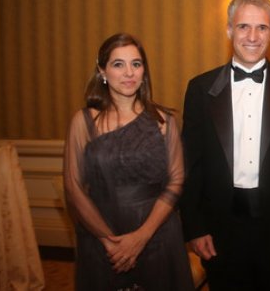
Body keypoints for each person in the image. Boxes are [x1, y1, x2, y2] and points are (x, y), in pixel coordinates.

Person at [178, 0, 270, 290]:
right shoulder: (201, 89)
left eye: (262, 28)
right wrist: (195, 227)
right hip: (221, 230)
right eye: (243, 26)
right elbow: (190, 164)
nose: (253, 36)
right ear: (229, 30)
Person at [63, 33, 194, 290]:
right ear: (102, 71)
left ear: (144, 71)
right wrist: (110, 242)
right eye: (118, 64)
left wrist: (141, 237)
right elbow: (73, 187)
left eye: (136, 64)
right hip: (101, 237)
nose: (128, 73)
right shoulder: (83, 121)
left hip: (158, 236)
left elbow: (177, 180)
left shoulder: (164, 121)